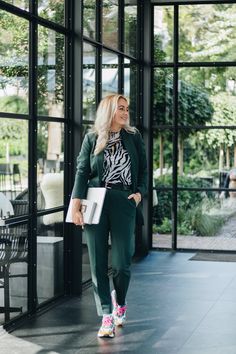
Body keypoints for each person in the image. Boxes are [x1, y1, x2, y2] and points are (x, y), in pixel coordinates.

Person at [71, 94, 147, 338]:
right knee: (97, 263)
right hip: (95, 201)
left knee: (122, 264)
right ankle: (106, 315)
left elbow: (145, 170)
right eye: (120, 108)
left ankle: (120, 302)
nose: (125, 112)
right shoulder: (92, 138)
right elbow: (82, 172)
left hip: (124, 201)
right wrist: (75, 206)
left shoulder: (134, 137)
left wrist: (139, 195)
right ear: (109, 111)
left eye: (127, 108)